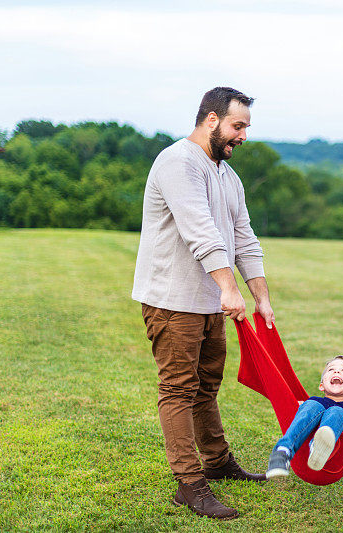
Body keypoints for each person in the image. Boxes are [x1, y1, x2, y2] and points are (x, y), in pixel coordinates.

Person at [132, 87, 275, 521]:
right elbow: (200, 231)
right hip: (173, 301)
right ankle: (189, 483)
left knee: (207, 385)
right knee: (178, 388)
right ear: (211, 120)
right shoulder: (178, 162)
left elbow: (244, 238)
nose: (244, 135)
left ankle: (216, 461)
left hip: (210, 303)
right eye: (238, 126)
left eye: (246, 127)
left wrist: (260, 298)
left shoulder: (228, 176)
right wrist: (229, 290)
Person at [265, 356, 343, 478]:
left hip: (333, 456)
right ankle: (282, 452)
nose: (336, 371)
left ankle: (319, 449)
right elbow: (296, 409)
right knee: (312, 405)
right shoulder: (312, 403)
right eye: (331, 369)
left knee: (336, 411)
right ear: (321, 386)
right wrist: (297, 406)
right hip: (303, 446)